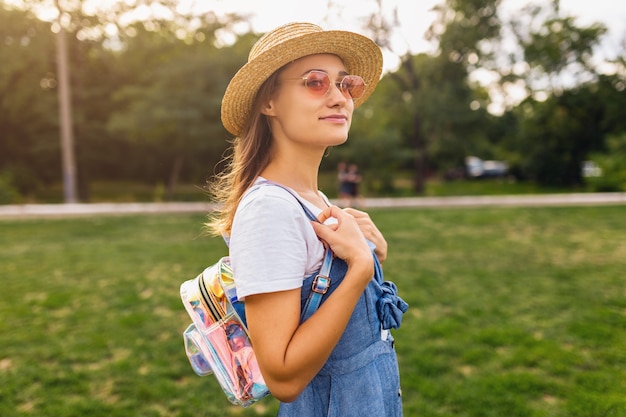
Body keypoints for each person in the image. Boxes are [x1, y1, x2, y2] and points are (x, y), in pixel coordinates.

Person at [207, 22, 408, 416]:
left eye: (345, 84)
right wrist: (360, 270)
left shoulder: (313, 199)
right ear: (269, 102)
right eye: (315, 82)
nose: (339, 98)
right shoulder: (269, 210)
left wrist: (371, 252)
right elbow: (283, 378)